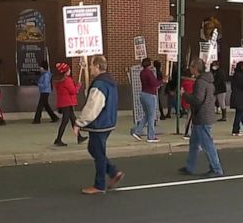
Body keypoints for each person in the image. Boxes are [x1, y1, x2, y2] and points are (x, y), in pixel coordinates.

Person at [73, 56, 124, 195]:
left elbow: (93, 107)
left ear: (96, 66)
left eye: (91, 65)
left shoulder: (99, 85)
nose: (90, 68)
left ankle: (100, 184)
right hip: (108, 122)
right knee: (95, 149)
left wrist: (79, 123)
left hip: (99, 124)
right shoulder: (109, 82)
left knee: (98, 153)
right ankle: (113, 172)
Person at [178, 58, 223, 177]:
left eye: (192, 67)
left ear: (196, 68)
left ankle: (216, 168)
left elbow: (197, 100)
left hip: (201, 116)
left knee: (207, 144)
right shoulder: (208, 81)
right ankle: (190, 166)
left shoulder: (200, 82)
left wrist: (185, 95)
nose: (190, 69)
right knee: (194, 143)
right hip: (204, 115)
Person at [53, 62, 88, 146]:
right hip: (68, 103)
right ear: (65, 71)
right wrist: (78, 86)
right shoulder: (67, 80)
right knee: (65, 121)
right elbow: (73, 91)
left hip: (63, 103)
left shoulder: (58, 81)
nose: (70, 70)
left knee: (73, 120)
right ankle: (58, 139)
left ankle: (79, 136)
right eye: (68, 69)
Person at [131, 57, 162, 143]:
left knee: (147, 115)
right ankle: (151, 136)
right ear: (149, 64)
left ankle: (137, 131)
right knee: (151, 116)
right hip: (150, 95)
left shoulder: (142, 72)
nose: (152, 64)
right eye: (151, 63)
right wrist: (162, 81)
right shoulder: (149, 73)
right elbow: (154, 83)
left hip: (143, 94)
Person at [180, 68, 195, 139]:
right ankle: (187, 133)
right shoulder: (193, 82)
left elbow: (181, 92)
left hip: (185, 101)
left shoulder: (184, 82)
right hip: (191, 101)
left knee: (189, 117)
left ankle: (188, 132)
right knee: (190, 117)